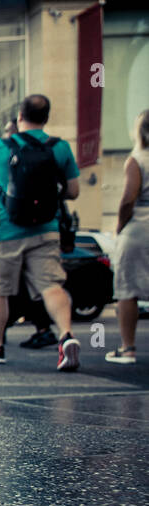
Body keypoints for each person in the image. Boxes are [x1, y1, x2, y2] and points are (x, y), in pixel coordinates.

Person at [0, 93, 81, 369]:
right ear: (46, 118)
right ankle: (66, 336)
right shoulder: (60, 148)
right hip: (46, 229)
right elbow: (73, 191)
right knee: (52, 286)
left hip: (6, 232)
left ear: (19, 117)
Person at [107, 108, 149, 364]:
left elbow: (127, 199)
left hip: (140, 227)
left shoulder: (137, 159)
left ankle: (127, 348)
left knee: (127, 289)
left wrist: (119, 225)